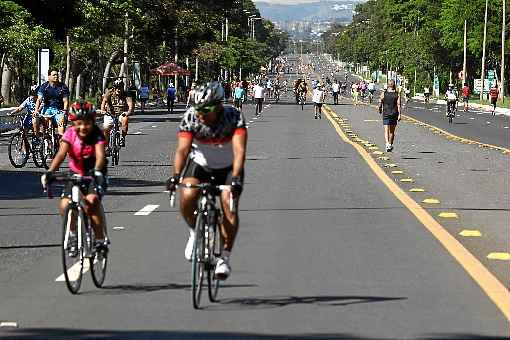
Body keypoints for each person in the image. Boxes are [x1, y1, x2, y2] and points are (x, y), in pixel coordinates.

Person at [166, 81, 247, 280]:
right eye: (198, 108)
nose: (201, 114)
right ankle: (195, 232)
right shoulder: (191, 117)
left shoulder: (233, 117)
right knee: (187, 194)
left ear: (218, 106)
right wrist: (175, 176)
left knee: (229, 206)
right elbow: (183, 150)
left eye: (206, 110)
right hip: (201, 164)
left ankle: (224, 257)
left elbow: (239, 151)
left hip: (228, 167)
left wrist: (235, 179)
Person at [40, 101, 108, 256]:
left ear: (92, 122)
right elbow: (61, 154)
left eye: (87, 124)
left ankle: (99, 240)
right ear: (72, 123)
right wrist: (50, 172)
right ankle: (72, 234)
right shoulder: (69, 133)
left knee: (91, 203)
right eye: (78, 124)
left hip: (95, 174)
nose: (83, 127)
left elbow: (100, 155)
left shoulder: (97, 134)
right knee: (65, 204)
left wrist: (97, 172)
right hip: (76, 174)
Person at [34, 69, 70, 137]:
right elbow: (39, 99)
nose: (56, 76)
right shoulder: (44, 86)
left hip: (59, 110)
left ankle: (60, 144)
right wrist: (36, 110)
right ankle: (45, 141)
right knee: (44, 124)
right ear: (49, 76)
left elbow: (65, 101)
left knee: (61, 126)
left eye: (57, 75)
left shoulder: (63, 87)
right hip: (47, 109)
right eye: (54, 75)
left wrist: (65, 111)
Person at [101, 78, 134, 150]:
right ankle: (107, 146)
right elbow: (104, 102)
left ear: (123, 88)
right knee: (106, 128)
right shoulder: (109, 93)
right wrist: (103, 110)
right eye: (116, 88)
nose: (118, 90)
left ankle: (122, 138)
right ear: (114, 88)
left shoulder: (127, 94)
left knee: (125, 120)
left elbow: (130, 106)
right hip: (110, 113)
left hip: (122, 113)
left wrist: (128, 112)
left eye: (120, 88)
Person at [378, 80, 401, 152]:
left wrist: (379, 108)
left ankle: (387, 144)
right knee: (392, 131)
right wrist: (400, 114)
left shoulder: (383, 93)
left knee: (386, 130)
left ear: (387, 85)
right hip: (394, 113)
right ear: (394, 85)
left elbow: (380, 102)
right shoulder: (397, 94)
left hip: (386, 113)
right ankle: (390, 144)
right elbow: (398, 105)